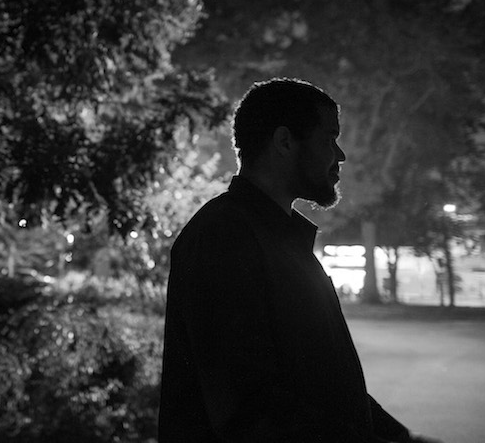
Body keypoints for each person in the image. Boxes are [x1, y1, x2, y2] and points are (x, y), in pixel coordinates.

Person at [158, 78, 441, 442]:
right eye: (329, 138)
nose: (340, 155)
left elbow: (325, 387)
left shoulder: (280, 240)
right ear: (284, 141)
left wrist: (403, 439)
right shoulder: (223, 238)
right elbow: (250, 407)